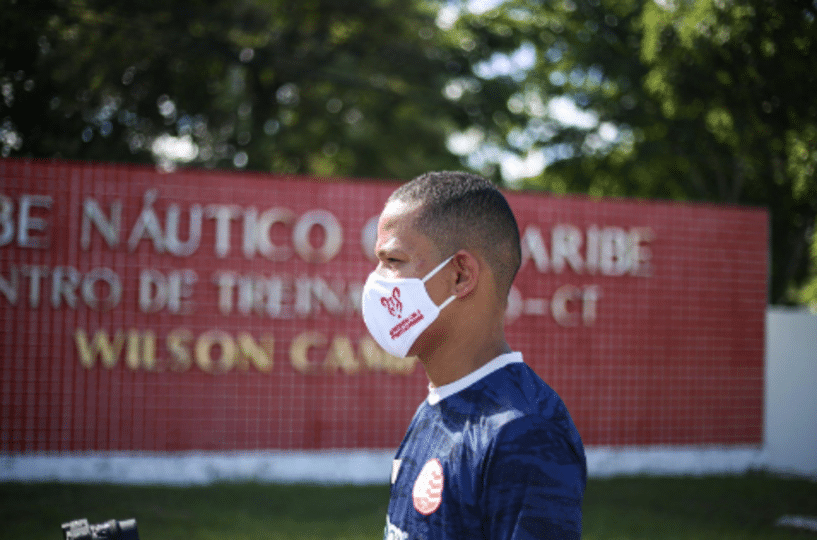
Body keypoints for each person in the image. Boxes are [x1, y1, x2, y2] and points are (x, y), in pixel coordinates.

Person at [360, 171, 586, 540]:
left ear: (461, 276)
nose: (376, 282)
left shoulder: (524, 433)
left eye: (393, 260)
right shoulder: (440, 404)